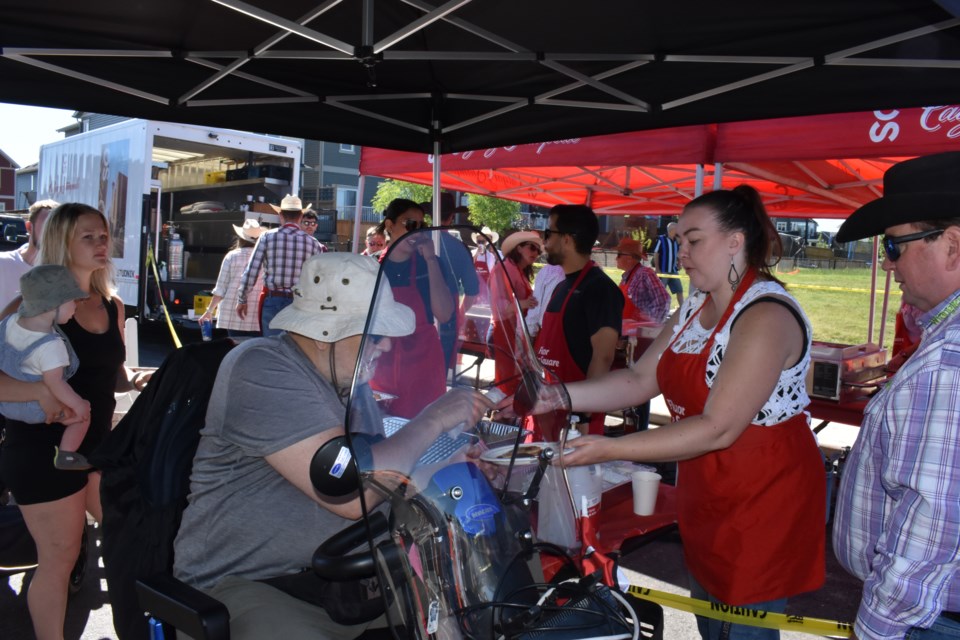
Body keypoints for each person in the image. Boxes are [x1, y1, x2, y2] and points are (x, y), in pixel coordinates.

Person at [527, 186, 825, 640]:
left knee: (744, 629)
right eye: (677, 239)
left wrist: (608, 447)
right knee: (711, 617)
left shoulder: (767, 315)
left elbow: (718, 426)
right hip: (706, 483)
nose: (680, 252)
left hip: (762, 496)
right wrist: (559, 396)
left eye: (693, 240)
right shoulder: (695, 307)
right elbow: (640, 380)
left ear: (735, 241)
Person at [173, 253, 491, 640]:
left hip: (344, 577)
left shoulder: (350, 384)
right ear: (328, 332)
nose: (387, 346)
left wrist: (451, 468)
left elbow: (382, 479)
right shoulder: (260, 368)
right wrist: (433, 418)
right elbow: (348, 492)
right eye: (375, 335)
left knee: (469, 616)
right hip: (248, 583)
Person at [0, 202, 148, 640]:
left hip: (97, 449)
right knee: (60, 558)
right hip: (40, 451)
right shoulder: (30, 306)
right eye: (89, 236)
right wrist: (41, 392)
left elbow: (109, 377)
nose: (102, 244)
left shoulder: (112, 305)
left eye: (104, 235)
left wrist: (139, 379)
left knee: (133, 542)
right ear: (62, 241)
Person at [832, 151, 960, 640]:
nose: (888, 265)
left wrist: (878, 629)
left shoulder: (948, 363)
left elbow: (932, 529)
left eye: (893, 246)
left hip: (927, 621)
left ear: (951, 245)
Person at [535, 204, 623, 435]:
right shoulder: (561, 287)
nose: (545, 241)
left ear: (566, 239)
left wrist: (584, 414)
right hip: (551, 405)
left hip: (577, 418)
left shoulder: (599, 288)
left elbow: (603, 356)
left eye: (548, 233)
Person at [0, 265, 92, 471]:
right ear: (54, 305)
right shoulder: (51, 345)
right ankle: (67, 454)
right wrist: (77, 405)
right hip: (36, 408)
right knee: (83, 412)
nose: (76, 306)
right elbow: (55, 383)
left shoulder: (9, 322)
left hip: (7, 402)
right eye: (73, 301)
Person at [370, 199, 453, 418]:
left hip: (422, 362)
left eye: (421, 226)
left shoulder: (431, 265)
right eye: (410, 224)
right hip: (381, 357)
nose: (416, 232)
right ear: (389, 225)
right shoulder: (370, 266)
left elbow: (444, 314)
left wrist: (431, 261)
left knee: (424, 427)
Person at [236, 194, 324, 337]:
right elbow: (319, 279)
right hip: (300, 303)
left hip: (274, 300)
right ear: (301, 215)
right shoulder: (313, 243)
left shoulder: (267, 237)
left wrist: (242, 299)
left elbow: (251, 271)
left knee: (273, 350)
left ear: (280, 215)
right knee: (297, 350)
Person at [423, 200, 480, 369]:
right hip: (447, 314)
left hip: (418, 312)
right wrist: (460, 313)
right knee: (441, 369)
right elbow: (472, 290)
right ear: (451, 217)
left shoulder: (414, 241)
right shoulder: (459, 247)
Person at [489, 231, 542, 393]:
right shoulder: (504, 269)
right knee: (508, 380)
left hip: (515, 332)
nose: (536, 253)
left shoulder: (516, 270)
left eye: (538, 251)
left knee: (515, 378)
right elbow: (497, 304)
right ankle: (502, 415)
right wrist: (523, 303)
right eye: (532, 248)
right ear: (518, 248)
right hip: (505, 330)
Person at [200, 219, 264, 338]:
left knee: (235, 350)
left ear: (241, 238)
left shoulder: (232, 256)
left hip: (232, 314)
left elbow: (220, 288)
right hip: (256, 315)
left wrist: (209, 311)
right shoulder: (265, 258)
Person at [0, 199, 57, 309]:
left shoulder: (65, 272)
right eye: (47, 225)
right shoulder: (3, 263)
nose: (52, 232)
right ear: (29, 228)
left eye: (58, 227)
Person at [616, 237, 670, 324]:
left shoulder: (645, 273)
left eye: (619, 254)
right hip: (626, 332)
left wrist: (651, 325)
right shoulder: (626, 277)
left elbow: (663, 299)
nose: (616, 258)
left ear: (629, 258)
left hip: (638, 335)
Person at [526, 262, 564, 340]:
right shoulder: (590, 273)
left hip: (549, 332)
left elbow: (536, 306)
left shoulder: (550, 270)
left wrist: (530, 332)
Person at [653, 221, 684, 309]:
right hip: (663, 270)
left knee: (679, 290)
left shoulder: (676, 240)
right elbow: (656, 254)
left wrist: (679, 263)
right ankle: (659, 310)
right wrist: (657, 268)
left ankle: (682, 309)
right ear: (671, 230)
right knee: (661, 293)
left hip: (674, 271)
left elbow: (677, 253)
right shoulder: (661, 239)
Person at [471, 226, 501, 305]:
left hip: (485, 291)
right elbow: (469, 267)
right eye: (479, 241)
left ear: (486, 242)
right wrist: (477, 253)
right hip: (473, 289)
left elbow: (492, 274)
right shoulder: (472, 253)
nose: (480, 243)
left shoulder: (490, 256)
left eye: (483, 241)